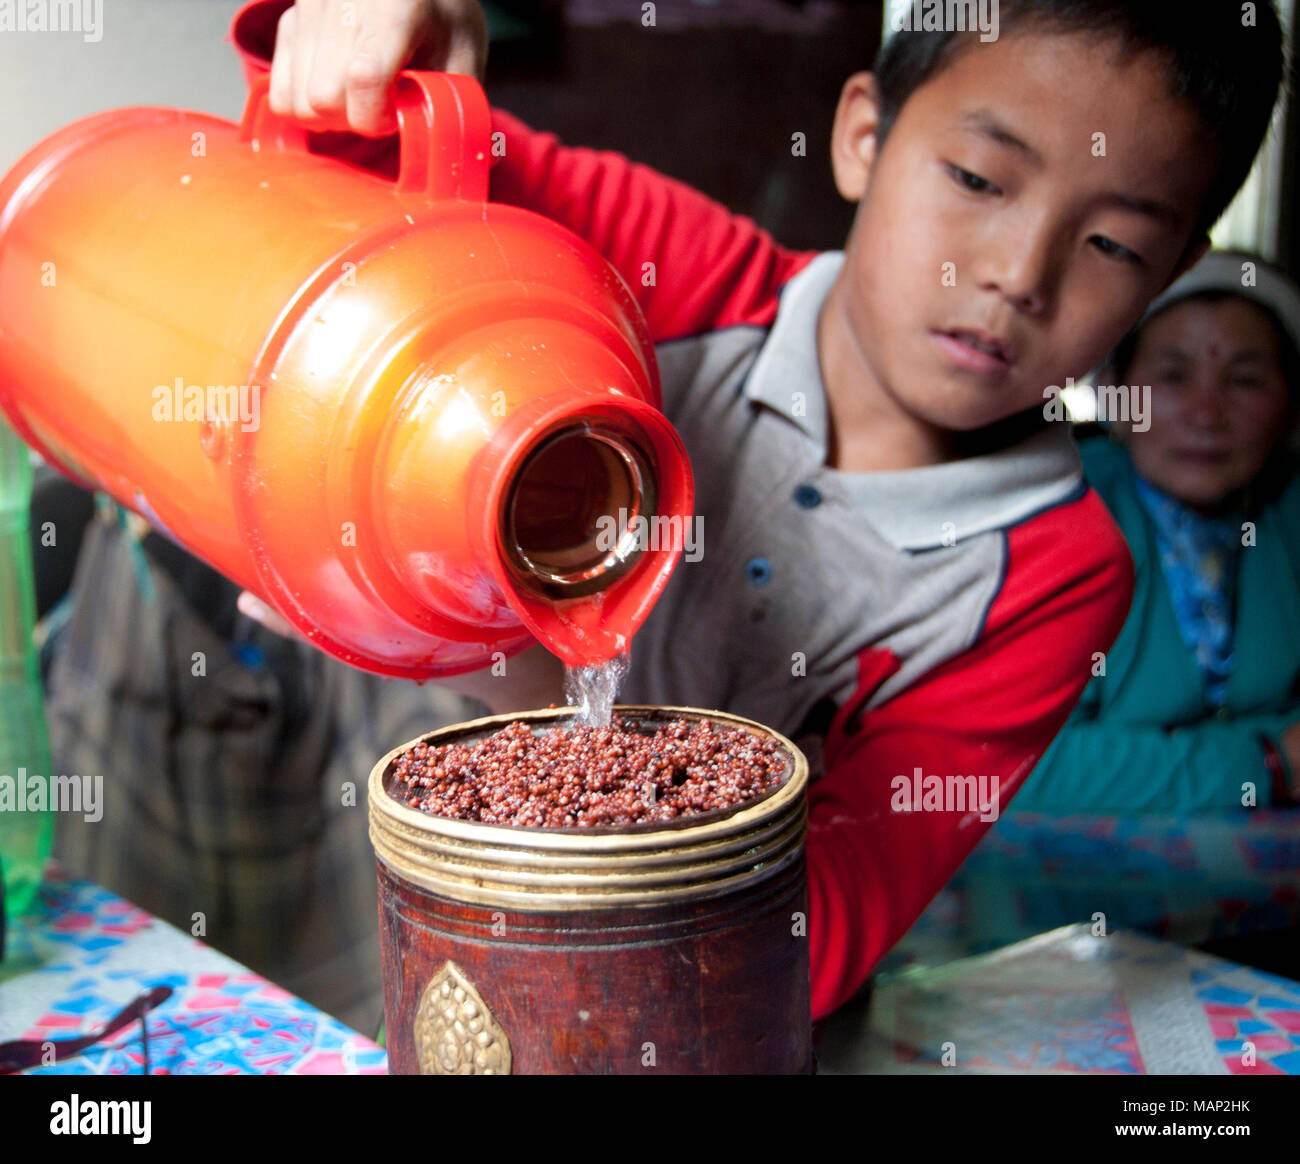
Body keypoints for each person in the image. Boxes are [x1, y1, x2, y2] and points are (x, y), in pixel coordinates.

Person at [228, 0, 1284, 1024]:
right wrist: (364, 43)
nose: (1015, 274)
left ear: (1171, 273)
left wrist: (509, 668)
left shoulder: (1056, 574)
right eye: (975, 178)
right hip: (375, 880)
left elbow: (808, 939)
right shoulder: (678, 273)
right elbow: (351, 167)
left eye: (1111, 246)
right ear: (864, 137)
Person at [1012, 251, 1300, 814]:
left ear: (1291, 407)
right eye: (1172, 376)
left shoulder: (1289, 510)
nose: (1206, 413)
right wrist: (1268, 761)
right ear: (1113, 397)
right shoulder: (1049, 515)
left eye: (1245, 380)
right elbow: (1020, 769)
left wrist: (1132, 760)